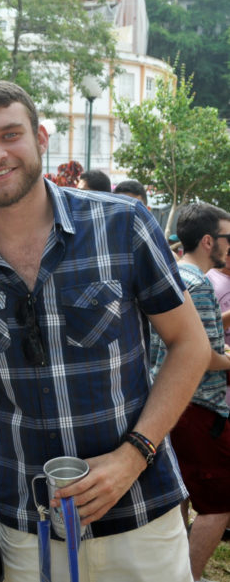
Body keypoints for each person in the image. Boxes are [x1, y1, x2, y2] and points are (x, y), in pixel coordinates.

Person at [0, 79, 209, 582]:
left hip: (139, 509)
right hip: (28, 521)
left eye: (10, 134)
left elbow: (189, 344)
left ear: (41, 139)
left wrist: (134, 456)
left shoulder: (122, 223)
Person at [149, 203, 230, 582]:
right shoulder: (196, 283)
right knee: (219, 503)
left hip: (172, 401)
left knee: (179, 495)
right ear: (209, 240)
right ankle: (189, 576)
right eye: (228, 238)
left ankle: (175, 573)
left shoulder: (172, 273)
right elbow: (206, 356)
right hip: (197, 406)